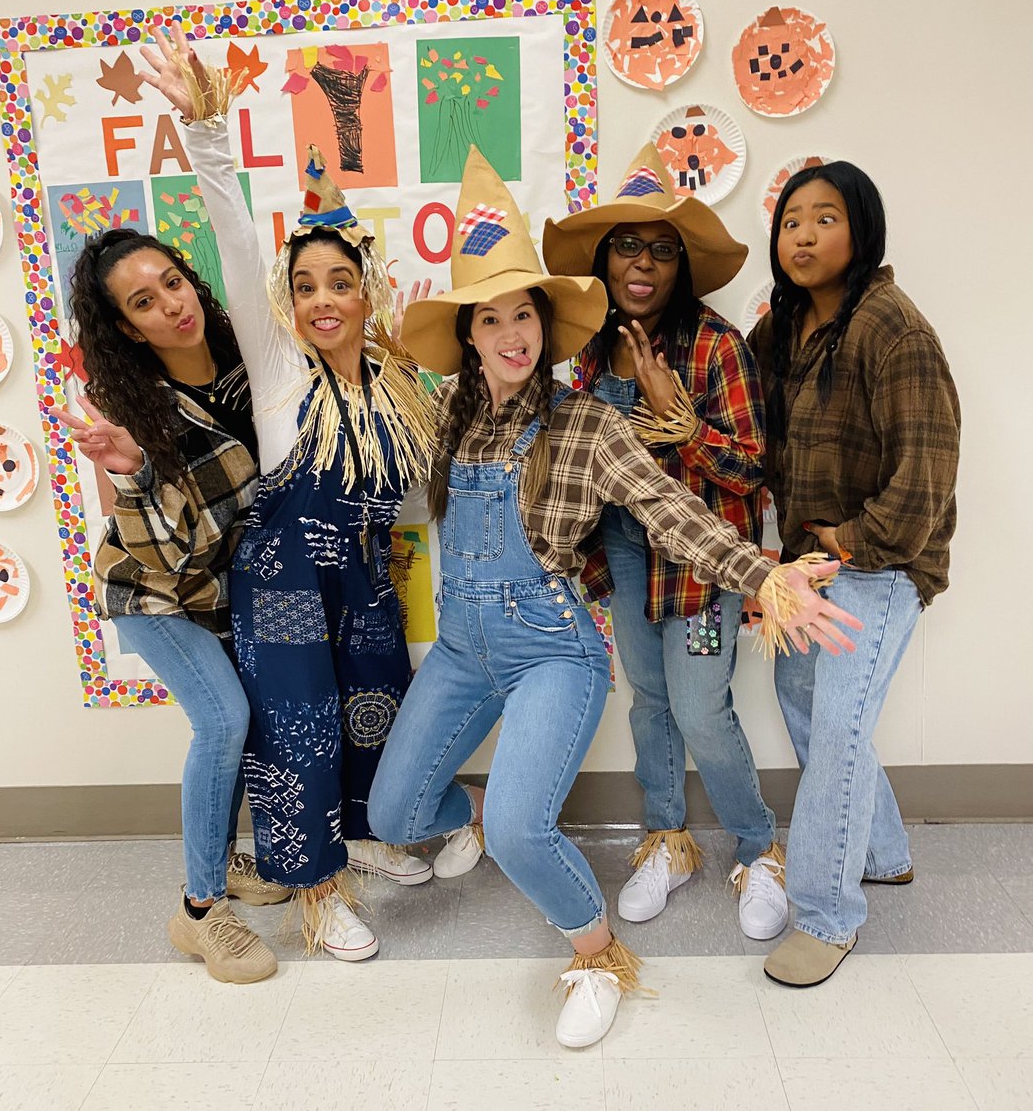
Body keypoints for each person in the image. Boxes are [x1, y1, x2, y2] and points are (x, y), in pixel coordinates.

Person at [368, 146, 862, 1048]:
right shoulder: (445, 415)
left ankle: (597, 952)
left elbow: (676, 511)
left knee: (539, 824)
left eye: (527, 315)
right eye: (492, 318)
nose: (513, 333)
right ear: (469, 335)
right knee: (392, 816)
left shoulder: (588, 419)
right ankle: (482, 815)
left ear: (547, 329)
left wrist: (768, 576)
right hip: (462, 651)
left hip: (554, 646)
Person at [139, 23, 438, 959]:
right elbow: (231, 230)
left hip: (365, 582)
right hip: (282, 589)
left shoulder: (398, 389)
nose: (320, 300)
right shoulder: (277, 371)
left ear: (367, 291)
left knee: (377, 706)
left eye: (339, 282)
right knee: (298, 737)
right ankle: (313, 891)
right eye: (303, 284)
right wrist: (208, 135)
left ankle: (362, 841)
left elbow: (424, 504)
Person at [543, 145, 787, 940]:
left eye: (661, 249)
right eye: (627, 245)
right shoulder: (583, 351)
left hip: (698, 565)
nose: (642, 263)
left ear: (682, 266)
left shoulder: (716, 347)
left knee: (699, 708)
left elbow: (752, 467)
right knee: (650, 705)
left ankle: (758, 847)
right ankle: (667, 837)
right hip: (619, 557)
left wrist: (680, 423)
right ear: (605, 258)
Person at [749, 161, 960, 987]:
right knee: (807, 710)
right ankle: (886, 853)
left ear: (861, 228)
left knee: (836, 727)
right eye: (791, 220)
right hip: (811, 563)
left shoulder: (894, 329)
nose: (802, 234)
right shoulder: (786, 323)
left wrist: (852, 542)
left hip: (881, 563)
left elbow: (928, 473)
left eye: (824, 218)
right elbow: (748, 422)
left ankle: (828, 917)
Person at [57, 228, 286, 984]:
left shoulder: (251, 361)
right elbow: (159, 556)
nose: (171, 306)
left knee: (249, 721)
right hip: (153, 591)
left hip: (225, 587)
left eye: (173, 283)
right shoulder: (129, 411)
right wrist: (131, 476)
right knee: (222, 719)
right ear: (127, 326)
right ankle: (198, 910)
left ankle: (221, 857)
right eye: (143, 303)